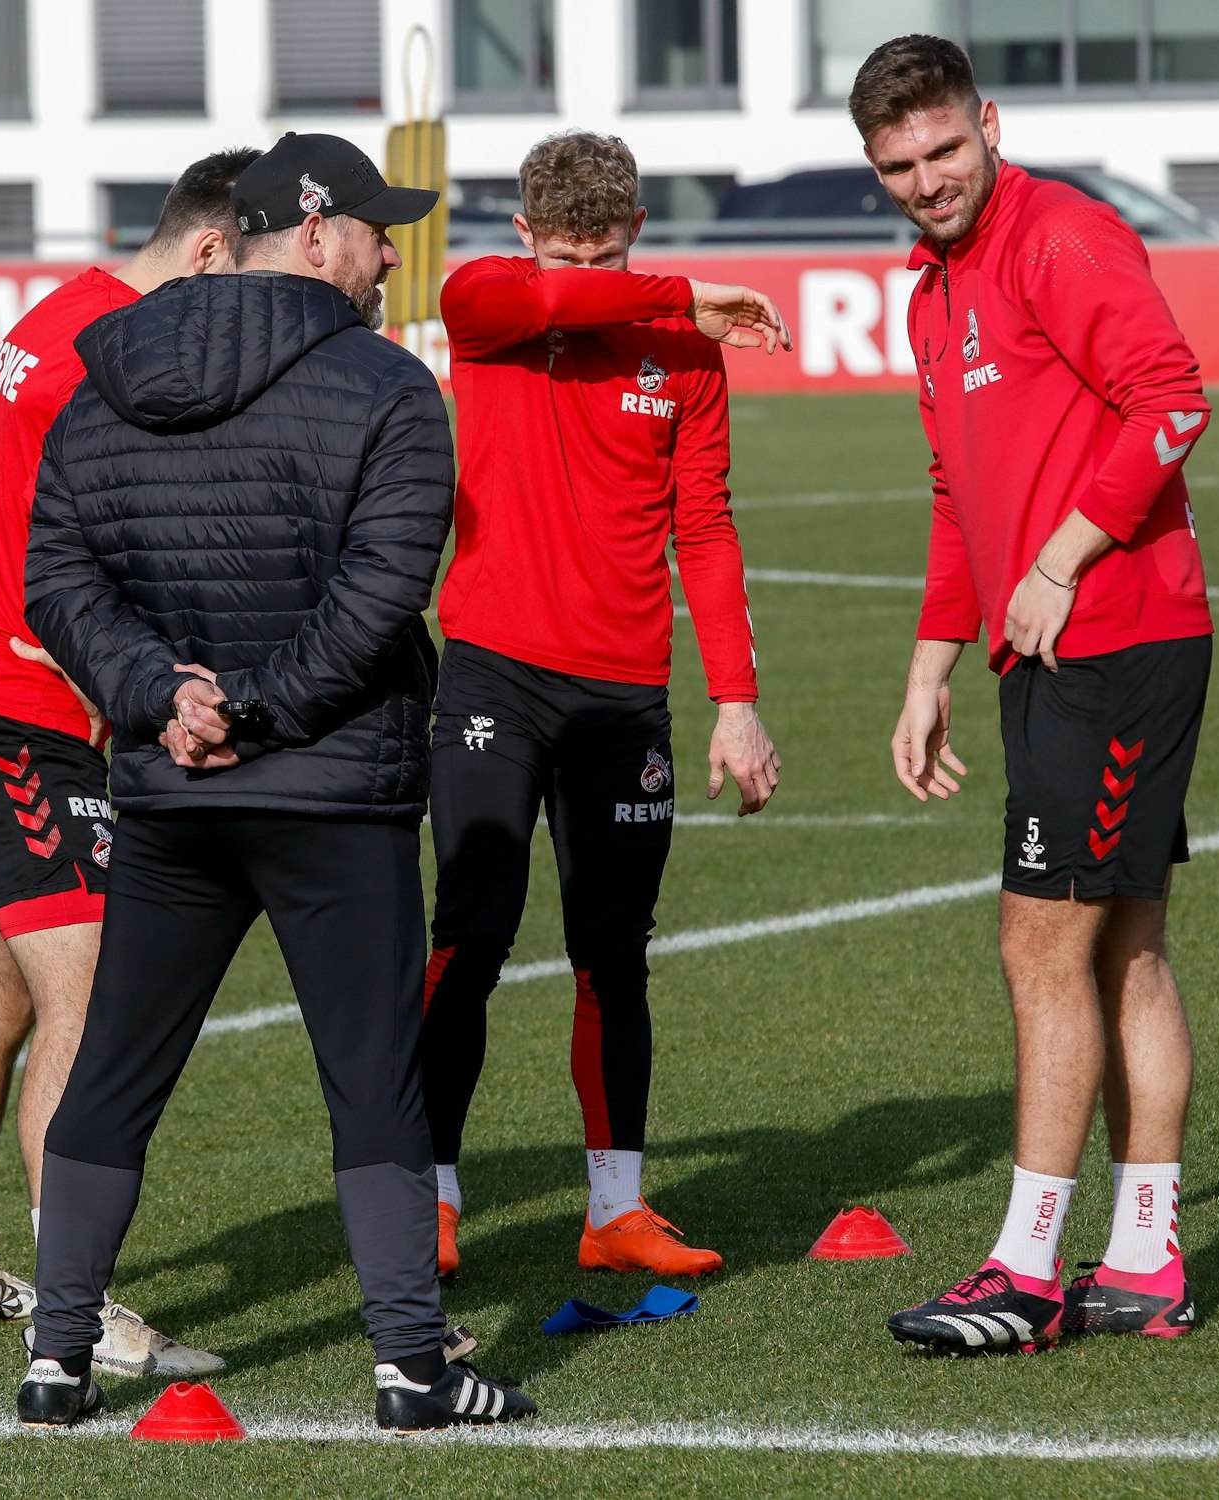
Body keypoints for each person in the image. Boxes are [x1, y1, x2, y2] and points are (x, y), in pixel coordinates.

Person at [16, 132, 531, 1432]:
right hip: (332, 790)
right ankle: (412, 1365)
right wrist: (255, 709)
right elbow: (382, 595)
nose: (392, 253)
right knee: (372, 1076)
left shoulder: (108, 375)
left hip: (172, 788)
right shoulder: (391, 387)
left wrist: (162, 698)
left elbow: (58, 577)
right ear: (313, 233)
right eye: (376, 229)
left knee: (117, 1071)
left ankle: (55, 1354)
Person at [852, 36, 1213, 1354]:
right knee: (1120, 948)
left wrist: (1062, 559)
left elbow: (1173, 402)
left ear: (988, 124)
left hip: (1117, 634)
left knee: (1039, 942)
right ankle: (1143, 1262)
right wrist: (931, 666)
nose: (927, 180)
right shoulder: (928, 291)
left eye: (944, 150)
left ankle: (1026, 1268)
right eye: (898, 165)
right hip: (1042, 649)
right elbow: (960, 494)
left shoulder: (1061, 237)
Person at [0, 150, 258, 1377]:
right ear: (209, 251)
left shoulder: (58, 307)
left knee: (0, 995)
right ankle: (78, 1307)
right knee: (88, 999)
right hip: (19, 714)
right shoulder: (117, 346)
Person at [423, 131, 787, 1281]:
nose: (594, 271)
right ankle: (428, 1196)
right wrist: (682, 288)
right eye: (570, 251)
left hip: (623, 697)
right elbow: (509, 297)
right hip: (491, 673)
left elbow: (706, 527)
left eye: (612, 248)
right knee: (470, 937)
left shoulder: (680, 348)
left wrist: (737, 701)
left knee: (612, 957)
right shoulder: (484, 302)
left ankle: (614, 1210)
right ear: (525, 235)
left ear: (634, 232)